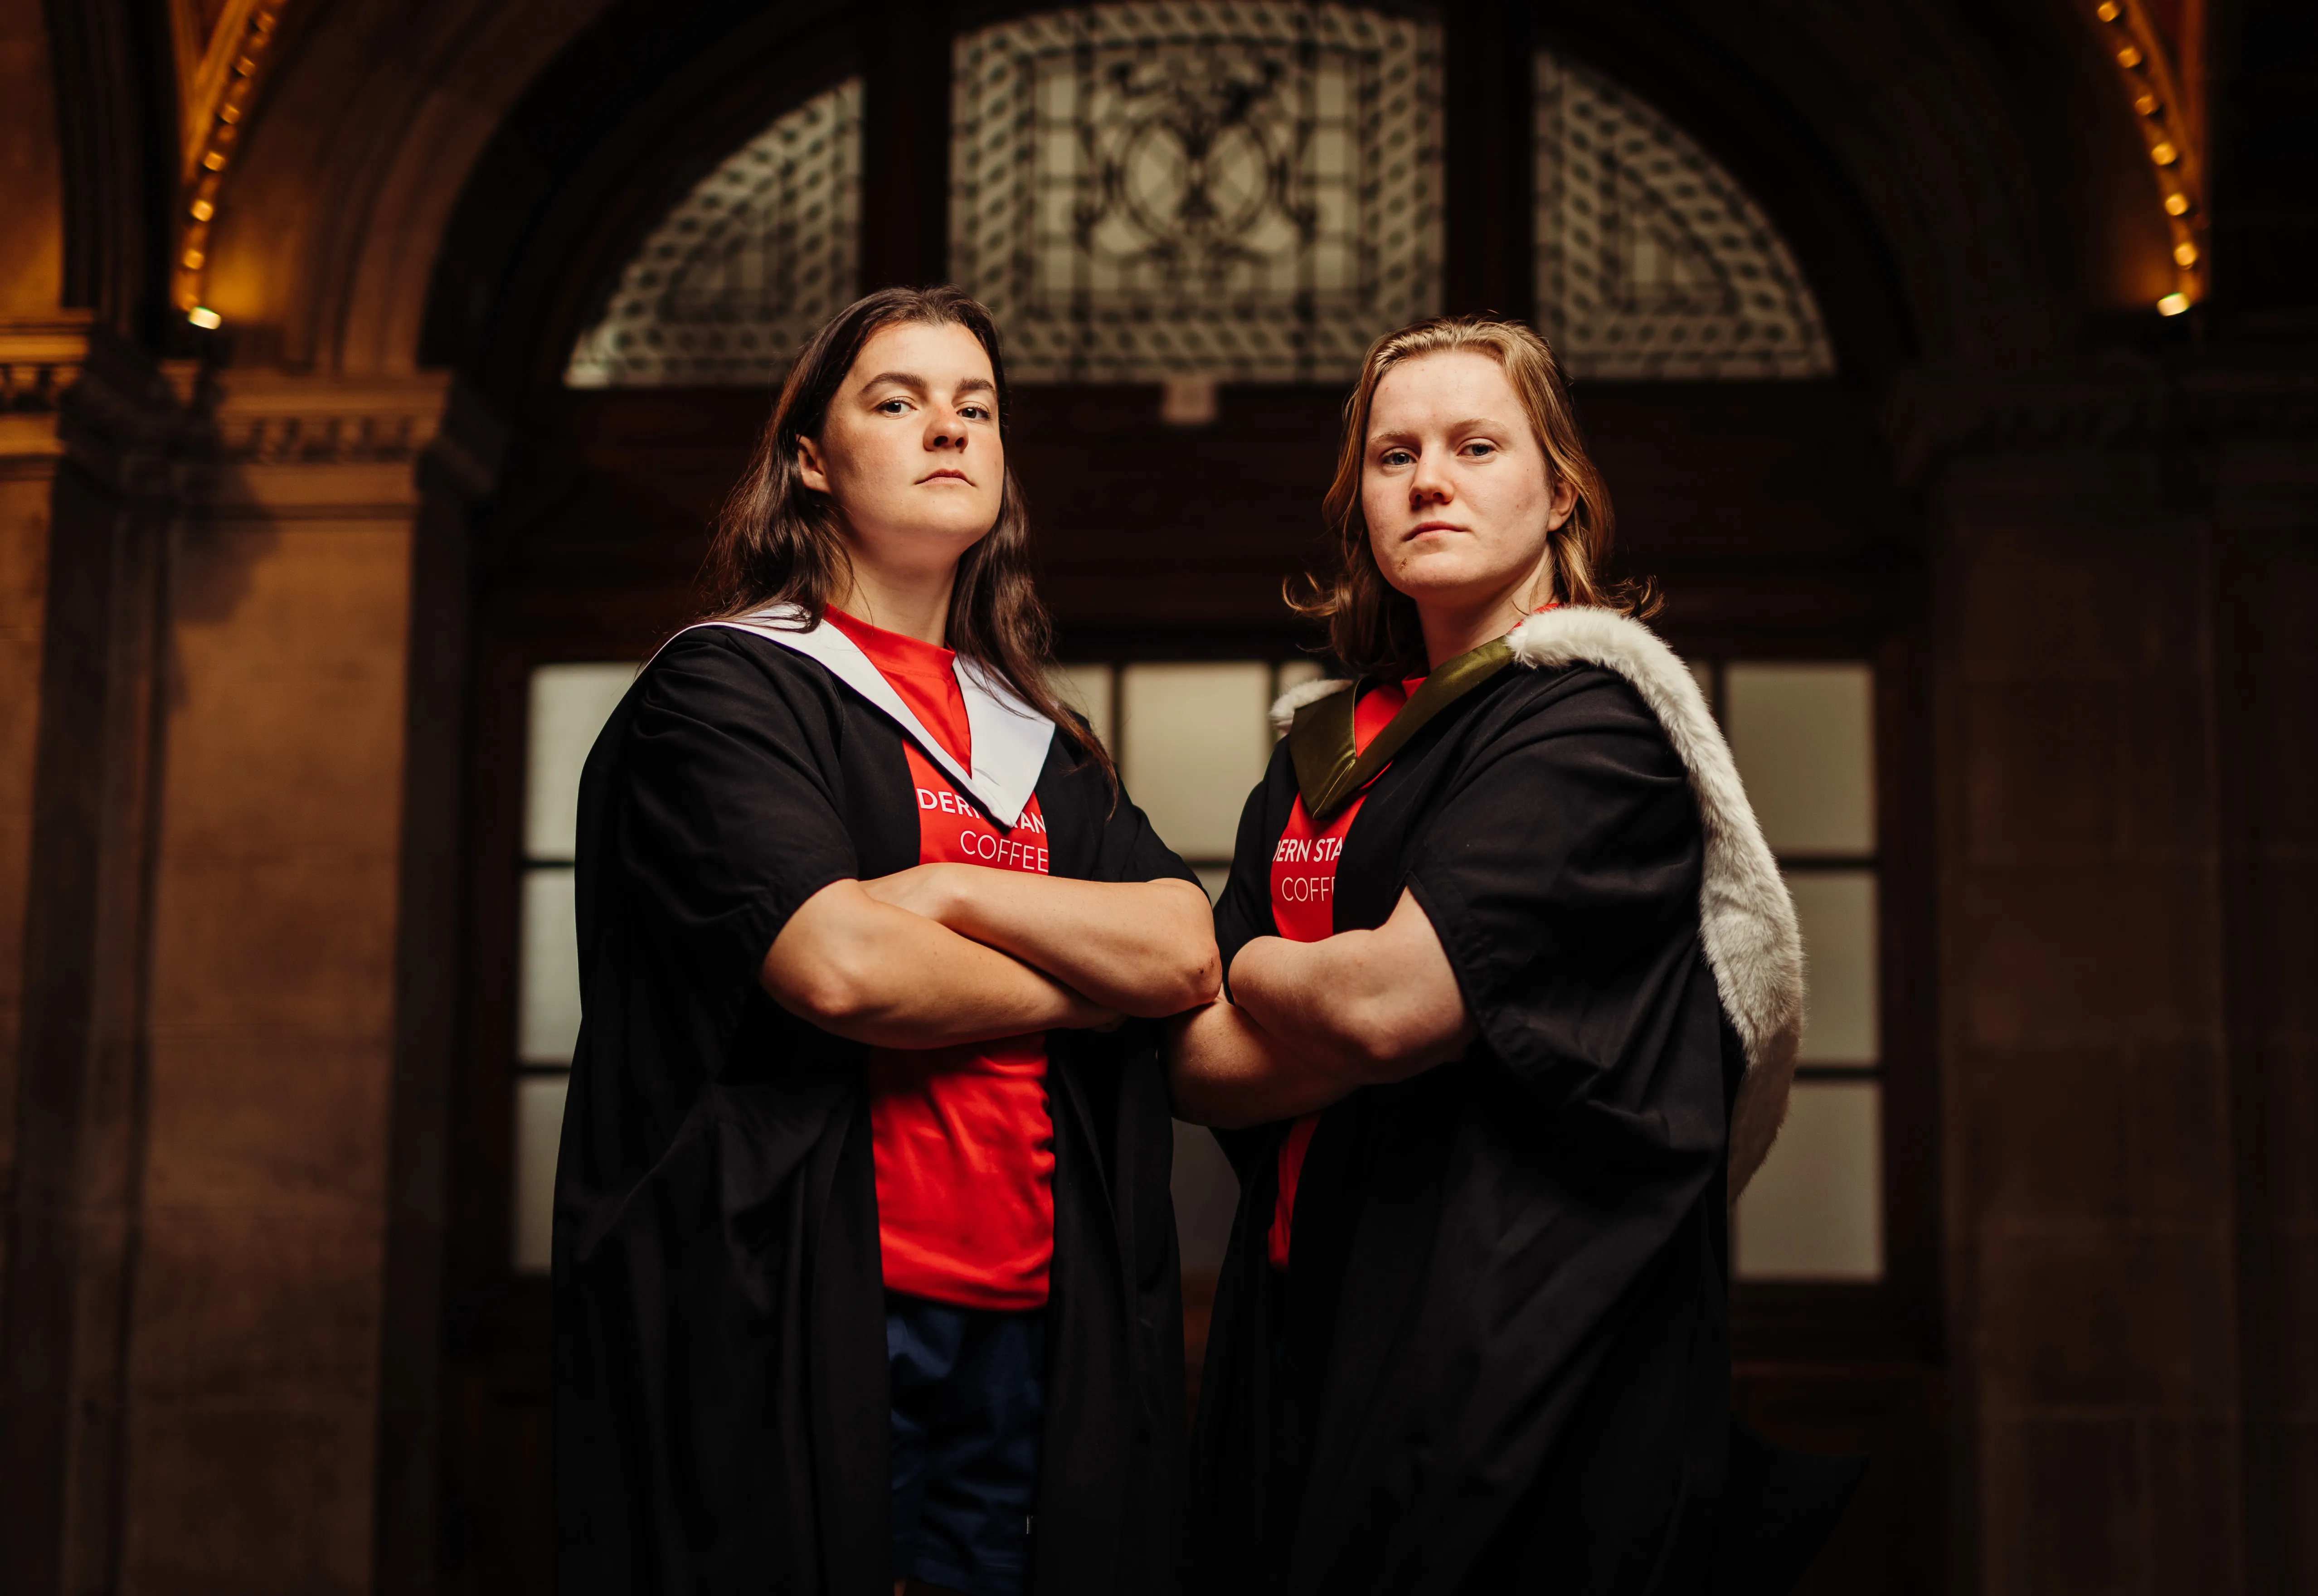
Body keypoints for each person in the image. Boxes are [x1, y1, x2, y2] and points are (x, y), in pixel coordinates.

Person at [554, 286, 1215, 1596]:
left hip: (1032, 1314)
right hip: (811, 1306)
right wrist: (1085, 992)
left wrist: (947, 894)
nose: (949, 430)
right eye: (898, 402)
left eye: (976, 408)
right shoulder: (730, 689)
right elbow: (841, 969)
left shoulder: (1036, 741)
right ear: (811, 457)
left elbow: (1186, 949)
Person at [1168, 316, 1824, 1594]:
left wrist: (1240, 963)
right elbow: (1191, 1070)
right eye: (1393, 454)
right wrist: (1333, 1006)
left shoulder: (1595, 721)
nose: (1431, 480)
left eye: (1477, 445)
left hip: (1512, 1345)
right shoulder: (1318, 748)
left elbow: (1383, 1007)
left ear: (1559, 487)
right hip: (1303, 1311)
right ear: (1357, 501)